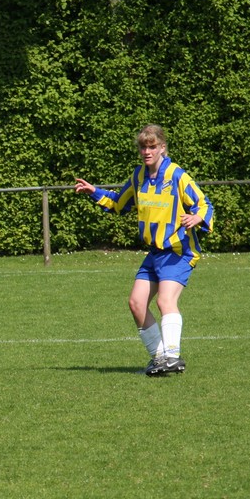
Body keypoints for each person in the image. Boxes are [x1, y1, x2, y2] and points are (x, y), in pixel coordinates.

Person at [74, 124, 213, 376]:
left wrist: (197, 218)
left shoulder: (176, 175)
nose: (147, 151)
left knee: (165, 301)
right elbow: (119, 203)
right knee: (136, 303)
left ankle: (172, 356)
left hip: (178, 251)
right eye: (143, 147)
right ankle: (159, 359)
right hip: (155, 253)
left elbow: (204, 204)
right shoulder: (139, 176)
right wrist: (94, 192)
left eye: (152, 146)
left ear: (162, 148)